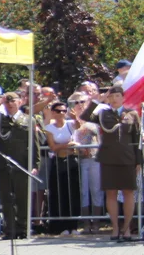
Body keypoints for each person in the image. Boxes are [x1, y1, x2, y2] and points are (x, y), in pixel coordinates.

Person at [0, 93, 44, 240]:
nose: (10, 104)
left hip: (22, 163)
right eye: (7, 102)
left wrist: (35, 164)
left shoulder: (28, 120)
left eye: (13, 101)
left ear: (20, 102)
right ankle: (10, 229)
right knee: (6, 197)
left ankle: (23, 228)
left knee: (22, 197)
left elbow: (34, 144)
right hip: (4, 163)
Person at [80, 85, 142, 241]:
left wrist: (139, 161)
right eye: (111, 97)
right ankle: (115, 228)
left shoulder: (132, 114)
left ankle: (126, 229)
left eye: (117, 96)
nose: (114, 99)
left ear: (122, 98)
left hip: (128, 159)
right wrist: (96, 101)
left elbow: (137, 141)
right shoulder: (103, 114)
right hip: (108, 159)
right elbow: (86, 116)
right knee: (111, 193)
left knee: (128, 193)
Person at [44, 102, 80, 236]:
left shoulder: (70, 124)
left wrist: (75, 118)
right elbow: (53, 147)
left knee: (74, 193)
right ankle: (62, 225)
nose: (61, 113)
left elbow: (78, 127)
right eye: (58, 111)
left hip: (72, 160)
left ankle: (74, 225)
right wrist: (67, 144)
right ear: (53, 112)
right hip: (58, 162)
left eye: (64, 111)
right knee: (61, 193)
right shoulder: (49, 128)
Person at [69, 93, 102, 234]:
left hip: (95, 158)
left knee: (96, 191)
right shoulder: (69, 120)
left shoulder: (93, 118)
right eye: (76, 102)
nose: (79, 104)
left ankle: (97, 222)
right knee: (83, 192)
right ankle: (86, 222)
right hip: (80, 159)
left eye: (82, 101)